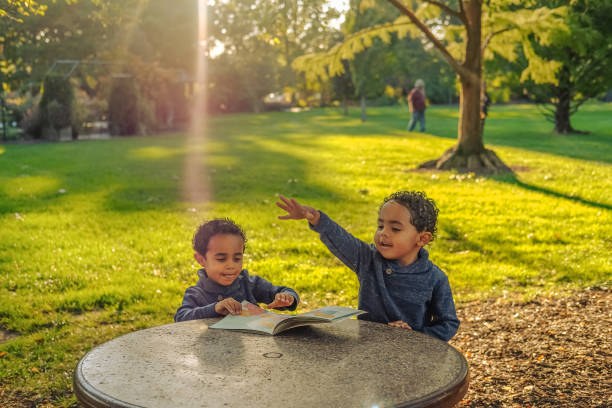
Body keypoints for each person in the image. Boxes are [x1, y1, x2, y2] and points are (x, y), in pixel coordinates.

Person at [276, 191, 459, 341]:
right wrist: (316, 218)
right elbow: (342, 240)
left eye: (395, 229)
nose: (383, 234)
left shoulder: (435, 278)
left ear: (422, 238)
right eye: (380, 226)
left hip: (411, 356)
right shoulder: (368, 259)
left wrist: (416, 336)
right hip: (366, 350)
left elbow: (448, 323)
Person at [174, 218, 299, 322]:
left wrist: (287, 298)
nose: (231, 265)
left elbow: (285, 291)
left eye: (237, 258)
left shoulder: (249, 284)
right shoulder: (197, 294)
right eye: (221, 259)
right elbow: (181, 318)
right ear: (201, 259)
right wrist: (215, 308)